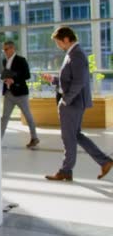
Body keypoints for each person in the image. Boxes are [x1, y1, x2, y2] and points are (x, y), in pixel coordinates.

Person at [41, 26, 113, 181]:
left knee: (68, 137)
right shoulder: (73, 53)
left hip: (72, 103)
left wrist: (65, 100)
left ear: (66, 39)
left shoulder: (77, 54)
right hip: (73, 102)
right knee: (76, 136)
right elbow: (69, 80)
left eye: (59, 42)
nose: (58, 46)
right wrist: (53, 80)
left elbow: (79, 82)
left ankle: (66, 170)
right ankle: (104, 161)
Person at [0, 41, 40, 149]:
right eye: (3, 50)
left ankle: (34, 138)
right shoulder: (4, 61)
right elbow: (6, 74)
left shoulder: (21, 60)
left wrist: (14, 79)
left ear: (12, 48)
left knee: (28, 116)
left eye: (6, 49)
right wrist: (6, 80)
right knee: (4, 118)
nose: (5, 52)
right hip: (8, 93)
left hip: (20, 94)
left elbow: (27, 75)